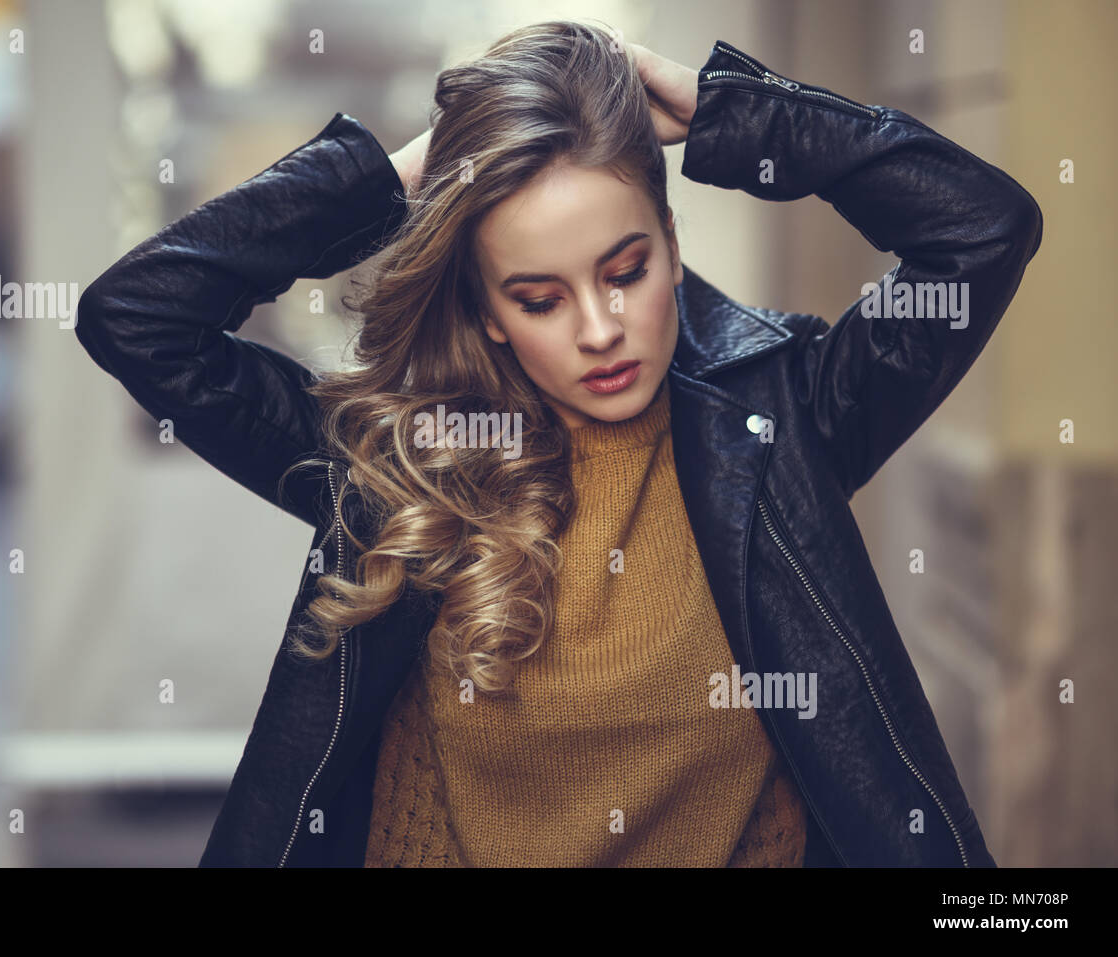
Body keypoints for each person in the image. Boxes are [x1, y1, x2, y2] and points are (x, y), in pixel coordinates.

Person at [74, 20, 1043, 867]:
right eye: (538, 297)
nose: (597, 329)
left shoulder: (789, 421)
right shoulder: (406, 465)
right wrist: (398, 177)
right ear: (489, 313)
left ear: (668, 238)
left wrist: (736, 114)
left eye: (624, 270)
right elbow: (137, 316)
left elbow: (982, 229)